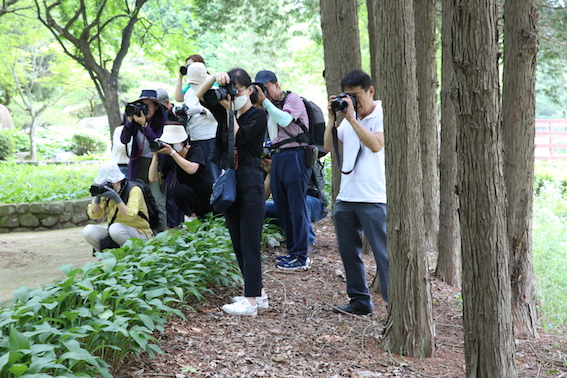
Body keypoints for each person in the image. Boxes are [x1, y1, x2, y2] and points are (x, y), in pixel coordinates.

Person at [196, 68, 268, 316]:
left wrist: (229, 111)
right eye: (231, 90)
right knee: (237, 239)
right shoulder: (227, 109)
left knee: (249, 241)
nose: (233, 95)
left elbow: (237, 138)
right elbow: (199, 94)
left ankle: (250, 302)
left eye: (237, 90)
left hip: (250, 179)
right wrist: (214, 78)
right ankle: (258, 293)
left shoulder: (258, 116)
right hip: (230, 179)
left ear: (250, 90)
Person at [323, 69, 388, 315]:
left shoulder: (381, 114)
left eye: (356, 95)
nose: (351, 101)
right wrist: (333, 118)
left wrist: (351, 119)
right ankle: (360, 301)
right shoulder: (347, 117)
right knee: (349, 253)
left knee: (384, 256)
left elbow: (375, 144)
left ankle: (395, 306)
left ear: (370, 91)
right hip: (346, 198)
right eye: (346, 96)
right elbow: (328, 146)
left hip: (374, 198)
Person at [253, 70, 312, 271]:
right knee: (282, 206)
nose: (263, 92)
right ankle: (292, 252)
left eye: (266, 87)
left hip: (296, 155)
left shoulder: (292, 99)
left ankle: (301, 256)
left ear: (276, 85)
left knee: (296, 207)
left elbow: (286, 121)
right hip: (278, 157)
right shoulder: (269, 107)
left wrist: (266, 103)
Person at [120, 89, 167, 233]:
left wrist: (145, 126)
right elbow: (124, 139)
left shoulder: (162, 123)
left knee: (157, 200)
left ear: (157, 106)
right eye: (142, 105)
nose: (145, 109)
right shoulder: (135, 121)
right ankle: (144, 233)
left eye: (149, 105)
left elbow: (157, 142)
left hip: (155, 164)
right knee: (138, 199)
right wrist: (129, 122)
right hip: (138, 164)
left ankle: (161, 234)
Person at [83, 162, 152, 252]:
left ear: (119, 180)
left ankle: (131, 255)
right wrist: (98, 196)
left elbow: (129, 217)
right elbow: (95, 215)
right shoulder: (106, 192)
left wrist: (116, 198)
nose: (109, 187)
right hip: (115, 232)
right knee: (88, 230)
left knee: (115, 229)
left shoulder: (134, 189)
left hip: (139, 232)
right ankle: (105, 256)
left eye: (111, 183)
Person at [263, 157, 328, 251]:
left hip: (314, 203)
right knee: (260, 207)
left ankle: (308, 241)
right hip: (285, 204)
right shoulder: (267, 165)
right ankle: (288, 235)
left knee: (298, 200)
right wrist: (270, 173)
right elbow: (263, 198)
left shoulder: (298, 157)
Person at [148, 125, 213, 218]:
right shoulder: (169, 157)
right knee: (179, 191)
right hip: (189, 199)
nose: (170, 146)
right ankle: (192, 218)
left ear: (182, 142)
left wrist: (173, 153)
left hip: (206, 196)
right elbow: (153, 178)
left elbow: (192, 169)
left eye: (173, 143)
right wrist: (155, 156)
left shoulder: (194, 149)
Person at [181, 62, 221, 182]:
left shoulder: (213, 91)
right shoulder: (189, 93)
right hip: (193, 137)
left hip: (209, 137)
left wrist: (202, 110)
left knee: (213, 173)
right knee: (200, 176)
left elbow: (220, 115)